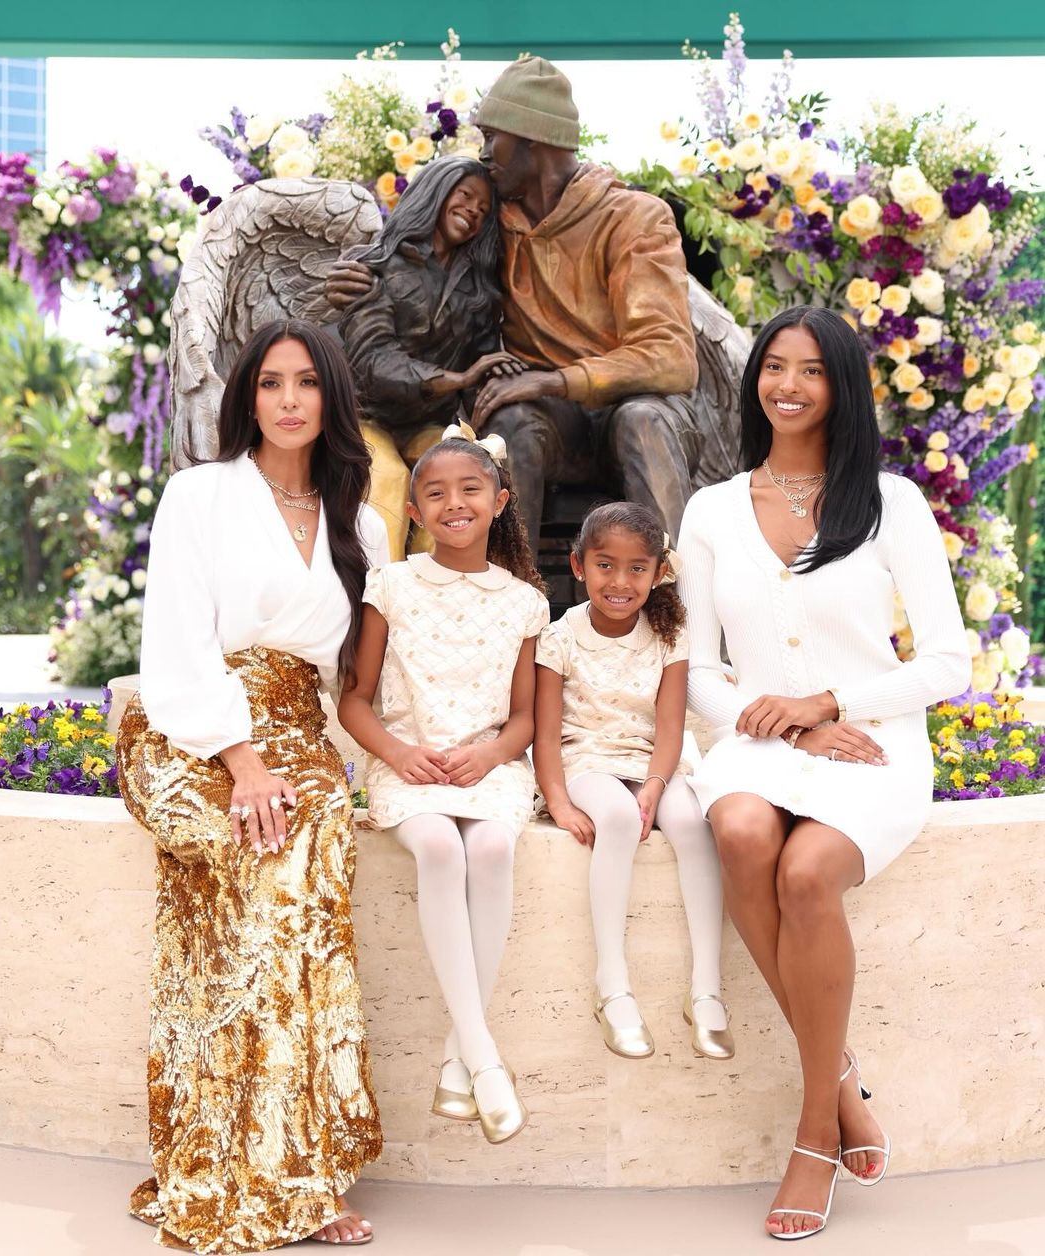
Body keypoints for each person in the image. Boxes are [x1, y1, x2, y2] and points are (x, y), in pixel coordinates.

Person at [677, 306, 971, 1239]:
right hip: (757, 738)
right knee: (741, 831)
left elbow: (948, 664)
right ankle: (838, 1080)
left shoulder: (892, 504)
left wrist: (830, 706)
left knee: (807, 875)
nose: (789, 386)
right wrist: (785, 728)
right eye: (774, 367)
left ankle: (812, 1134)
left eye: (811, 370)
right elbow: (694, 667)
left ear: (842, 387)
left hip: (871, 743)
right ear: (754, 378)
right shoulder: (712, 509)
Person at [117, 319, 389, 1251]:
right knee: (261, 849)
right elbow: (178, 642)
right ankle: (228, 1160)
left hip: (298, 732)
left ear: (330, 398)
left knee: (306, 856)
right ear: (247, 396)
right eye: (270, 382)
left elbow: (367, 670)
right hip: (191, 726)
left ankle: (298, 1170)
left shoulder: (362, 520)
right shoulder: (200, 494)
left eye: (307, 382)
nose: (287, 400)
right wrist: (241, 762)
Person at [328, 56, 701, 551]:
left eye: (490, 138)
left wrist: (550, 379)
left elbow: (671, 357)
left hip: (637, 409)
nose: (484, 155)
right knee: (507, 425)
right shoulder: (490, 223)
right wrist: (362, 273)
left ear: (532, 138)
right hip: (551, 422)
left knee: (642, 422)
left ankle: (673, 602)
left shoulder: (634, 218)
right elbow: (417, 257)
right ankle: (508, 603)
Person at [337, 422, 549, 1145]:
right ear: (415, 514)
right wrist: (398, 753)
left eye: (470, 489)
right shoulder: (390, 585)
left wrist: (491, 758)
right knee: (439, 849)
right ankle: (483, 1062)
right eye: (435, 493)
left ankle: (461, 1062)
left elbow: (524, 719)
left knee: (490, 850)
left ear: (499, 500)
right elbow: (355, 700)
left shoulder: (524, 602)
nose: (454, 503)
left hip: (488, 768)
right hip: (409, 767)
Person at [533, 502, 734, 1062]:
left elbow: (670, 728)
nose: (620, 582)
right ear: (578, 566)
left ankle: (707, 988)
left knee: (693, 822)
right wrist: (558, 801)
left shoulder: (670, 637)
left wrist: (654, 784)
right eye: (605, 565)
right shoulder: (559, 637)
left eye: (636, 568)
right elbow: (545, 737)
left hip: (651, 757)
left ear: (658, 572)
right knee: (618, 818)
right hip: (585, 759)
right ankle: (613, 986)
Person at [338, 156, 523, 561]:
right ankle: (380, 603)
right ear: (436, 192)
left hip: (428, 423)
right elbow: (373, 362)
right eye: (465, 196)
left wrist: (499, 385)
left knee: (450, 481)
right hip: (366, 417)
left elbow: (483, 360)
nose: (473, 211)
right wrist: (457, 379)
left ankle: (440, 601)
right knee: (387, 478)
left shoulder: (477, 291)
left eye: (483, 210)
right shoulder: (377, 265)